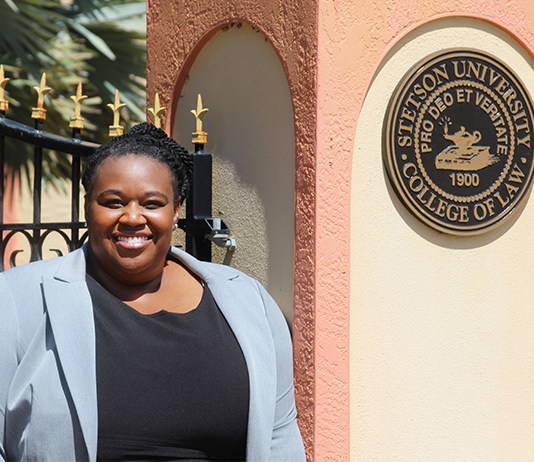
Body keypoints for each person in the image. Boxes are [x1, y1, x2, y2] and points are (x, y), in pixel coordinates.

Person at [0, 123, 305, 461]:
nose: (132, 217)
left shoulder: (248, 301)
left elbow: (279, 436)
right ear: (87, 207)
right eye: (113, 202)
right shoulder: (18, 299)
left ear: (176, 210)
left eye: (152, 203)